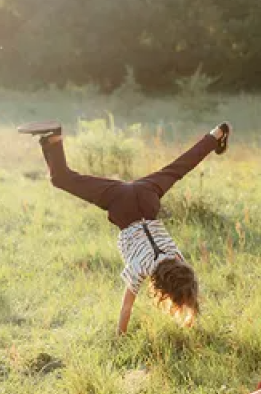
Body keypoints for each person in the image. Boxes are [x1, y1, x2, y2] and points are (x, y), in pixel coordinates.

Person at [18, 119, 231, 333]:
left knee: (180, 166)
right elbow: (126, 308)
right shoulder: (140, 268)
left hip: (146, 195)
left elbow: (188, 283)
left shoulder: (177, 258)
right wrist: (120, 337)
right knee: (61, 179)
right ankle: (53, 136)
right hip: (121, 205)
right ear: (163, 289)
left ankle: (216, 134)